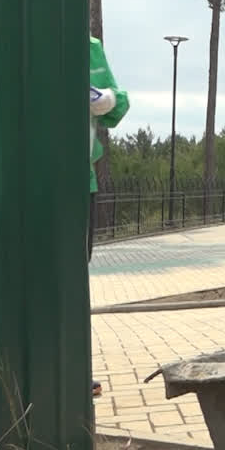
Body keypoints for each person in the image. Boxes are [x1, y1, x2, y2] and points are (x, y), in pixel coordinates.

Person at [88, 31, 129, 397]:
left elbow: (117, 107)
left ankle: (73, 364)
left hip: (79, 181)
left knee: (72, 276)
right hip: (30, 179)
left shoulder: (90, 47)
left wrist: (106, 99)